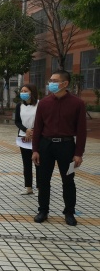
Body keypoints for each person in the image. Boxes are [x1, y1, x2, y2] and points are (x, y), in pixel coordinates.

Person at [32, 70, 87, 226]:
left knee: (68, 180)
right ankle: (43, 210)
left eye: (55, 81)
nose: (51, 83)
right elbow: (38, 128)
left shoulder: (77, 103)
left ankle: (69, 212)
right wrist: (35, 150)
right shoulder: (44, 103)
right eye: (50, 80)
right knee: (43, 180)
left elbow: (81, 131)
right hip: (46, 146)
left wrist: (78, 153)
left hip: (67, 146)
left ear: (65, 83)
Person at [15, 84, 39, 195]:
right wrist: (26, 130)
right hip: (23, 136)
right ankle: (28, 187)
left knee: (38, 162)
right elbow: (17, 121)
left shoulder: (39, 104)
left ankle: (40, 187)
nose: (23, 93)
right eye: (22, 91)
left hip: (37, 136)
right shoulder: (19, 106)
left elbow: (42, 120)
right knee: (26, 163)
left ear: (32, 92)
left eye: (26, 91)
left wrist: (32, 131)